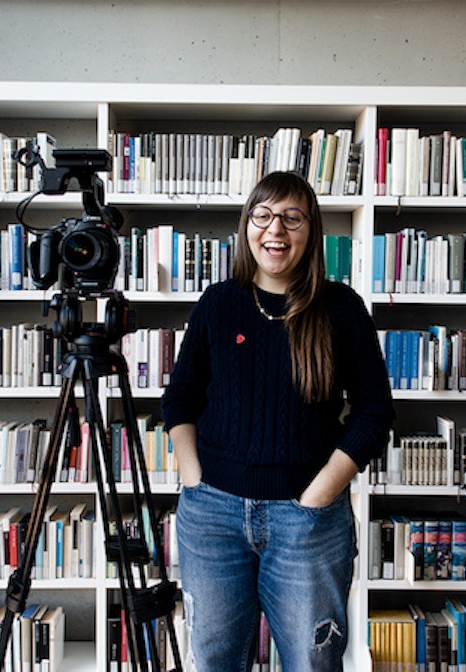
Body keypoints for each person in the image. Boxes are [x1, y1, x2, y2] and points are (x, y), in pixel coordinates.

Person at [161, 171, 394, 671]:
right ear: (246, 225)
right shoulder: (219, 303)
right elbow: (179, 398)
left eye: (292, 218)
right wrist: (192, 476)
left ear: (312, 231)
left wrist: (319, 495)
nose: (275, 230)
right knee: (215, 661)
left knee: (312, 663)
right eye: (263, 215)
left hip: (307, 520)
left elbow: (375, 411)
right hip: (213, 515)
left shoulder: (341, 308)